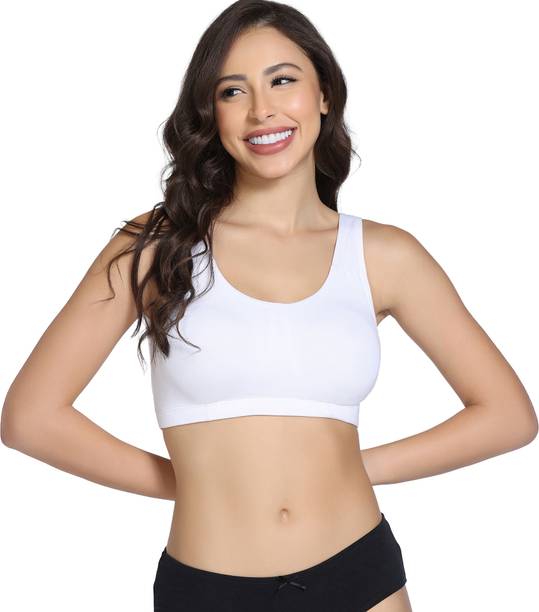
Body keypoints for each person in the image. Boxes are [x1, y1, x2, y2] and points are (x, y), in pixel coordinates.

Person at [2, 1, 537, 611]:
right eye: (233, 91)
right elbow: (31, 418)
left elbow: (508, 416)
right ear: (211, 113)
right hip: (208, 585)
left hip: (359, 574)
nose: (262, 110)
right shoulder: (154, 245)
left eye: (283, 80)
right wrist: (190, 484)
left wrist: (355, 468)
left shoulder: (386, 255)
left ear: (324, 94)